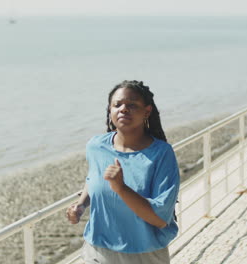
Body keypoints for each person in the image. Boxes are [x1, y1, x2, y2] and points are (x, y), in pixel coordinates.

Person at [66, 80, 180, 264]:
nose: (124, 109)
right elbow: (94, 177)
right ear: (109, 110)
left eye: (132, 105)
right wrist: (80, 205)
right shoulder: (96, 146)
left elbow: (159, 218)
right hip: (97, 250)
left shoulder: (161, 154)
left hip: (144, 254)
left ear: (147, 111)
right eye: (117, 105)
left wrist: (121, 188)